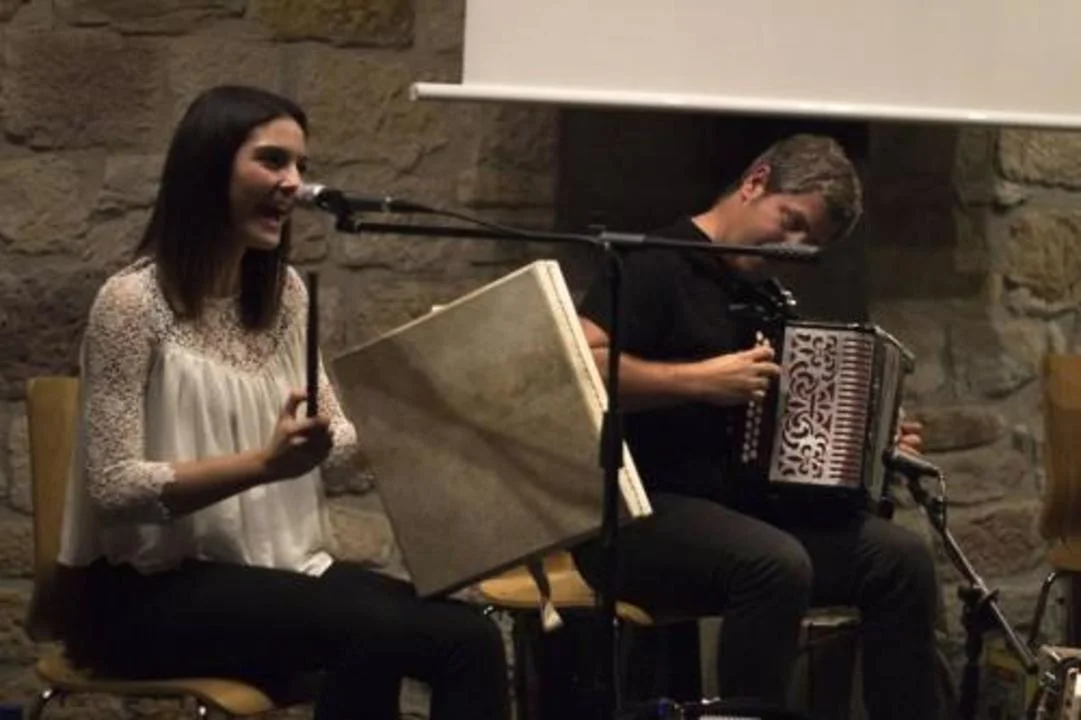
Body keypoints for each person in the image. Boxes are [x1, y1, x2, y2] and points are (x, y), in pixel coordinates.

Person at [55, 85, 509, 720]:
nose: (294, 183)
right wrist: (263, 466)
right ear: (208, 167)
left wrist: (411, 414)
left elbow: (334, 451)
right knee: (376, 633)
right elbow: (112, 486)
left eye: (300, 165)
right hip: (146, 591)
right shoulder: (131, 304)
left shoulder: (284, 295)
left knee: (471, 637)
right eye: (272, 160)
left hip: (274, 569)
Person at [571, 134, 941, 718]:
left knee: (900, 560)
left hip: (737, 511)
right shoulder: (654, 262)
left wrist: (867, 442)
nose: (792, 247)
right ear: (755, 183)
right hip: (636, 512)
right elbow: (577, 366)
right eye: (791, 221)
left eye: (810, 242)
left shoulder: (766, 296)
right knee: (774, 564)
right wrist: (697, 381)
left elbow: (791, 422)